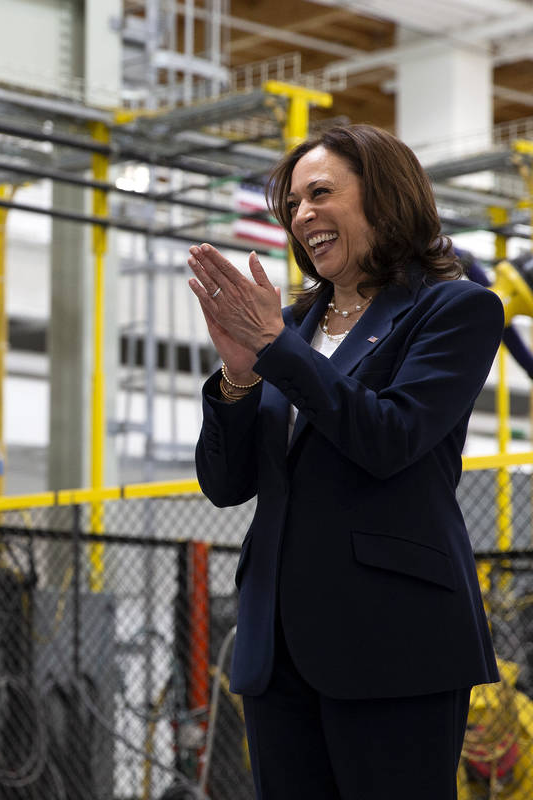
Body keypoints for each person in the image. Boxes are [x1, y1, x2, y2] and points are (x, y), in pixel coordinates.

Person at [187, 123, 502, 799]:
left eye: (320, 193)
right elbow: (225, 484)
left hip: (394, 643)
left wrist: (275, 349)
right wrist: (240, 376)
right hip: (278, 649)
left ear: (384, 198)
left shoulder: (454, 310)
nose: (302, 216)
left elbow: (388, 438)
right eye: (293, 204)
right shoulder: (291, 328)